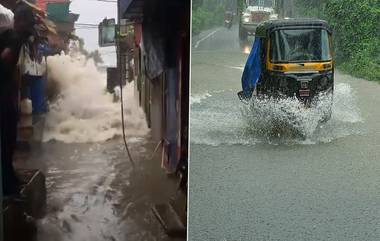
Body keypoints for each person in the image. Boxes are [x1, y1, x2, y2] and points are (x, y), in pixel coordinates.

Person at [0, 3, 36, 195]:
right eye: (28, 24)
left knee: (9, 142)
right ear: (19, 22)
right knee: (6, 143)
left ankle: (9, 177)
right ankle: (7, 184)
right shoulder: (13, 38)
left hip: (8, 94)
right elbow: (5, 60)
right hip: (4, 96)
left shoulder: (14, 37)